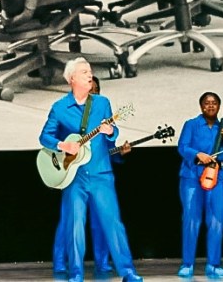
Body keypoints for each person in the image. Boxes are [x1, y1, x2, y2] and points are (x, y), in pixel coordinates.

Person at [39, 57, 142, 282]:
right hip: (74, 176)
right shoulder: (59, 108)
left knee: (113, 223)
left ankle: (127, 271)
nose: (90, 75)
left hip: (101, 173)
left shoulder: (102, 103)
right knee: (75, 225)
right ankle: (76, 273)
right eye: (84, 72)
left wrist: (110, 132)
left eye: (90, 71)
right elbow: (45, 137)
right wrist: (62, 145)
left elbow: (113, 133)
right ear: (72, 79)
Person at [51, 76, 130, 280]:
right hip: (73, 173)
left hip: (99, 174)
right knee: (70, 222)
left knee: (103, 222)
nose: (91, 93)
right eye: (88, 88)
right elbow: (53, 139)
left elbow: (109, 147)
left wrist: (118, 148)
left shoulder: (102, 111)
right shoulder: (65, 111)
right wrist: (64, 149)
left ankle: (104, 263)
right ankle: (61, 262)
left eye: (95, 90)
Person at [177, 92, 223, 279]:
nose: (210, 106)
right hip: (191, 177)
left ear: (219, 107)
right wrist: (198, 154)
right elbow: (182, 147)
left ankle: (213, 265)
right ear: (201, 106)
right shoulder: (191, 124)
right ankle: (187, 264)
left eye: (214, 103)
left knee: (217, 221)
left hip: (217, 178)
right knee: (191, 220)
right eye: (206, 103)